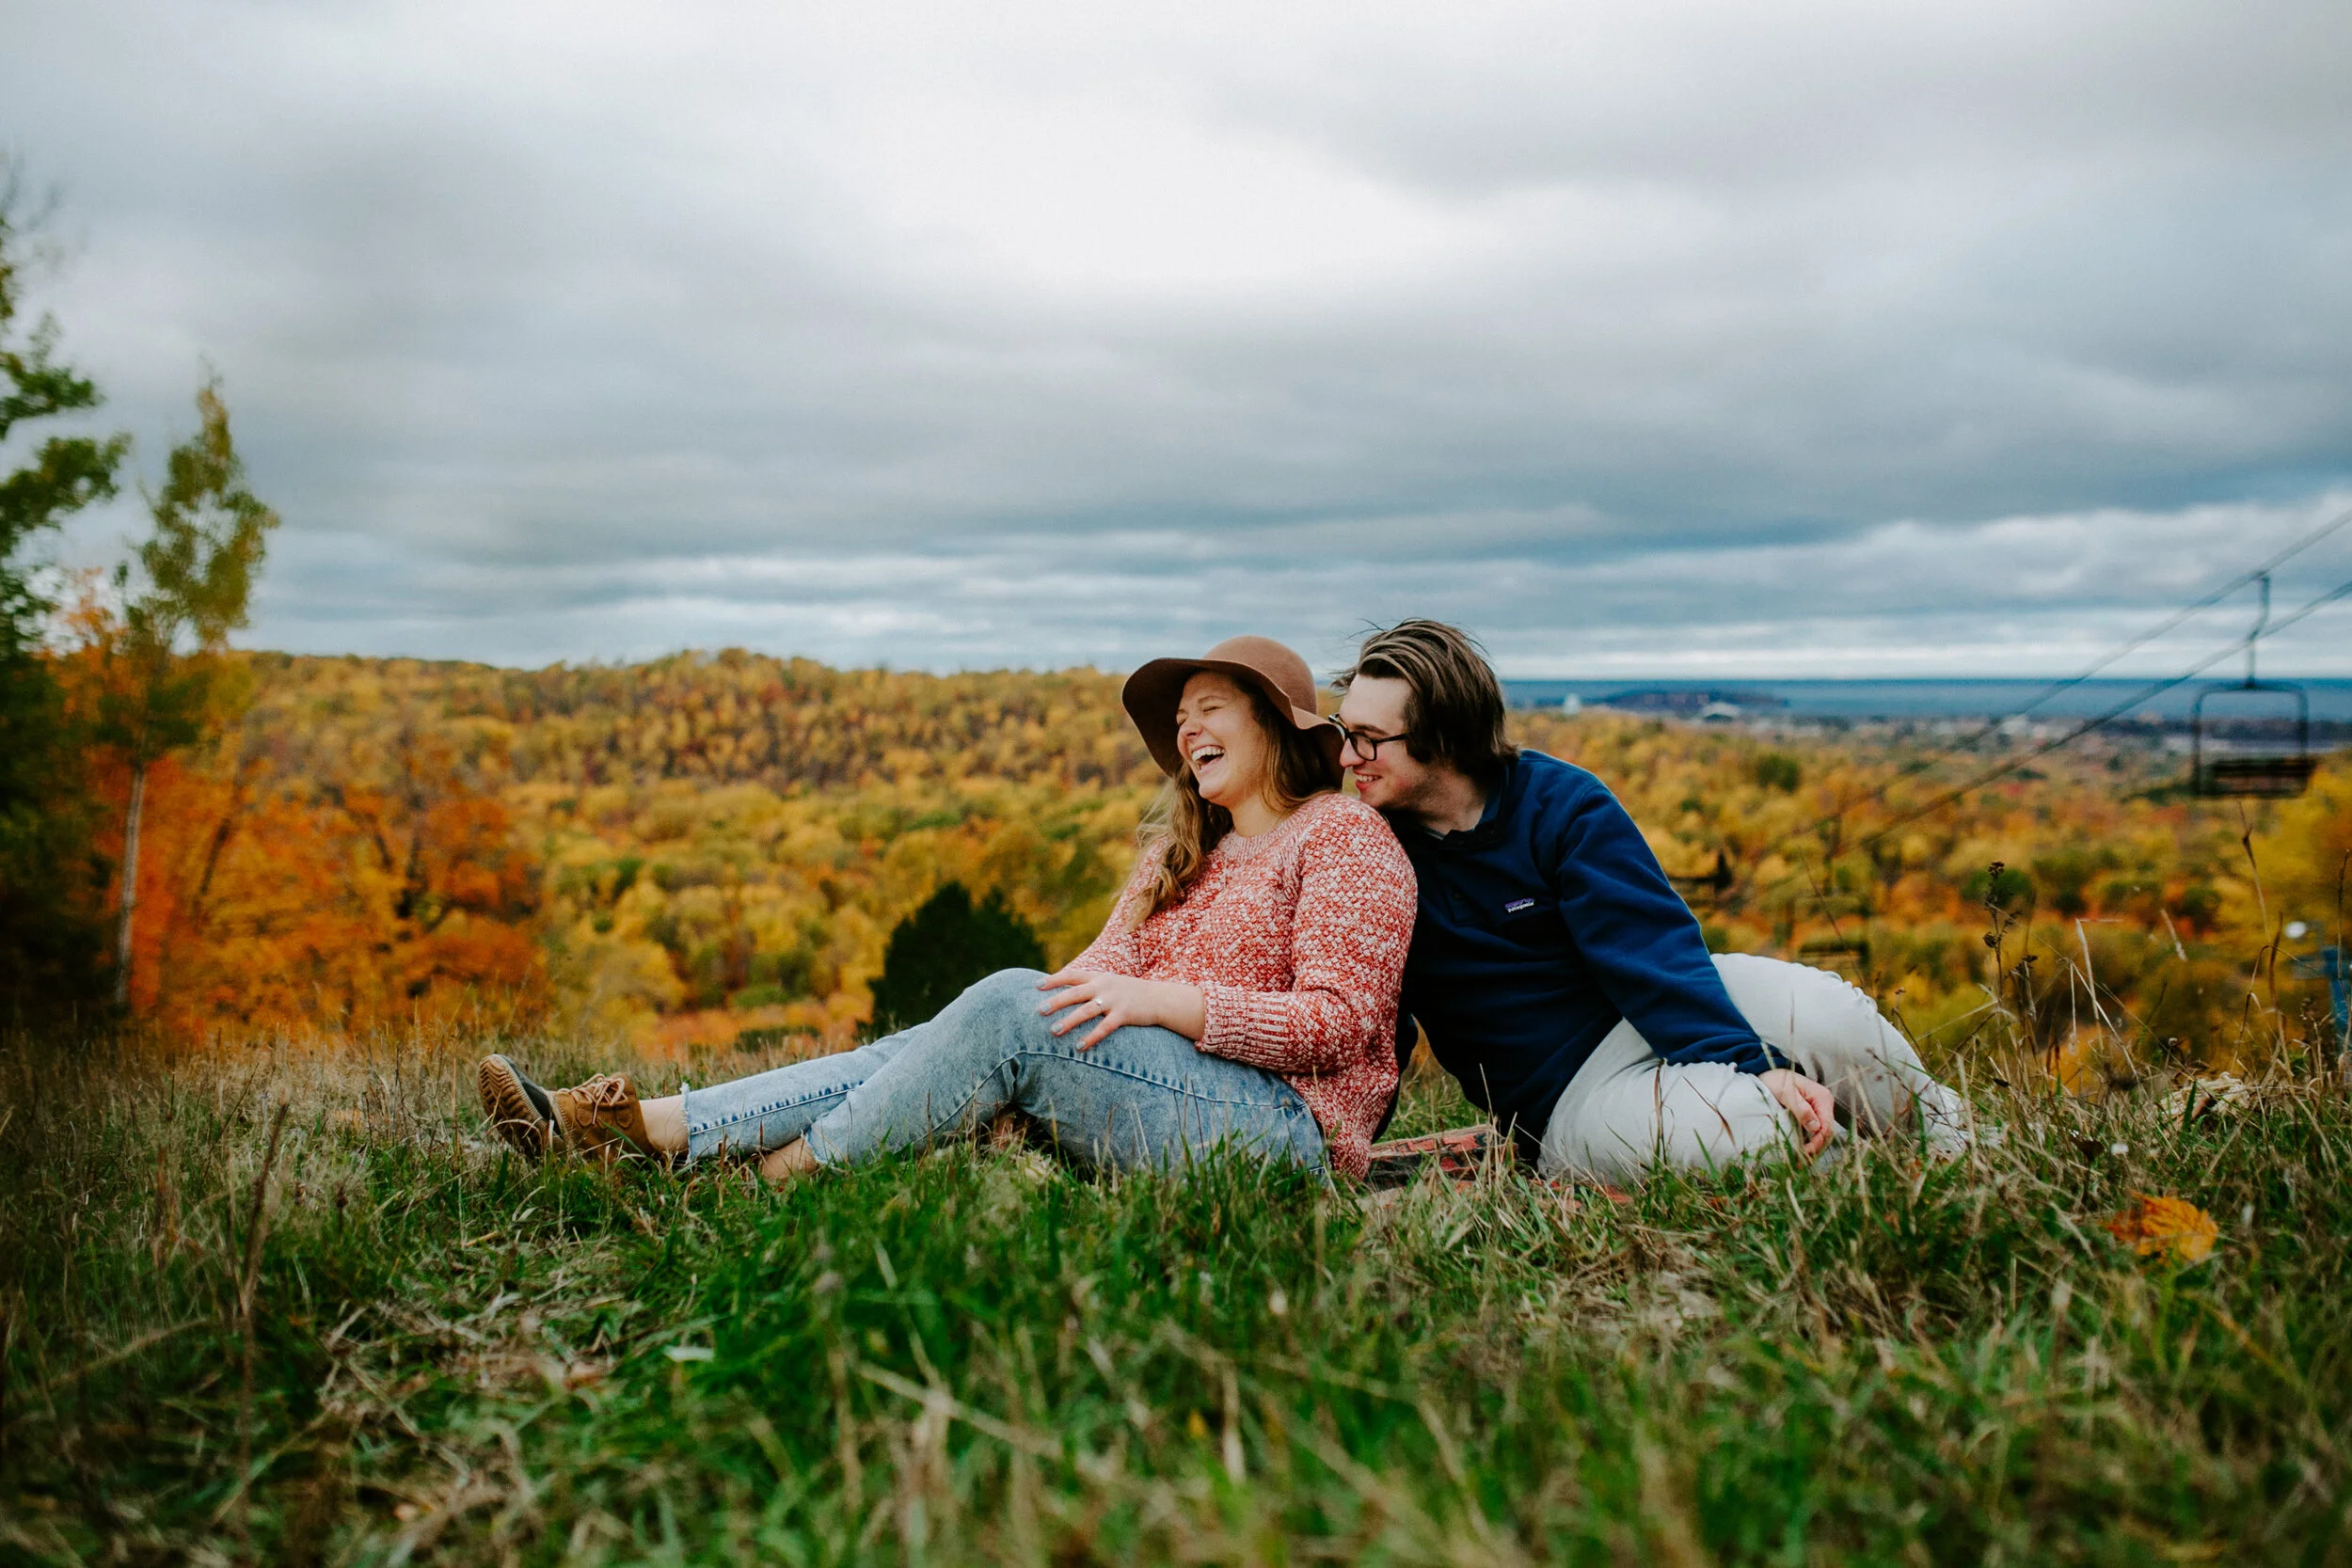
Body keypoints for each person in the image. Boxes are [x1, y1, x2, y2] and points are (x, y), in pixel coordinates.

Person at [478, 635, 1417, 1184]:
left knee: (1009, 1004)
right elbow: (1083, 980)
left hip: (1286, 1132)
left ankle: (781, 1176)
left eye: (1208, 706)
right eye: (1178, 719)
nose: (1184, 730)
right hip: (1167, 1092)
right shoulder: (1179, 852)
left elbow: (1344, 1026)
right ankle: (638, 1127)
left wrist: (1166, 1005)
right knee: (946, 1032)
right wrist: (1006, 1035)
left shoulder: (1341, 836)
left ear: (1274, 721)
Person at [1332, 619, 1970, 1187]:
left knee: (1829, 1014)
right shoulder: (1376, 856)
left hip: (1647, 1013)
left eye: (1367, 738)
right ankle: (1878, 1196)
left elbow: (1650, 946)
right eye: (1344, 731)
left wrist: (1751, 1060)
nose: (1347, 755)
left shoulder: (1560, 803)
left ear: (1443, 738)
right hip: (1566, 1097)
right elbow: (1373, 1026)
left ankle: (1966, 1158)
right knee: (1739, 1125)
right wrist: (1336, 1141)